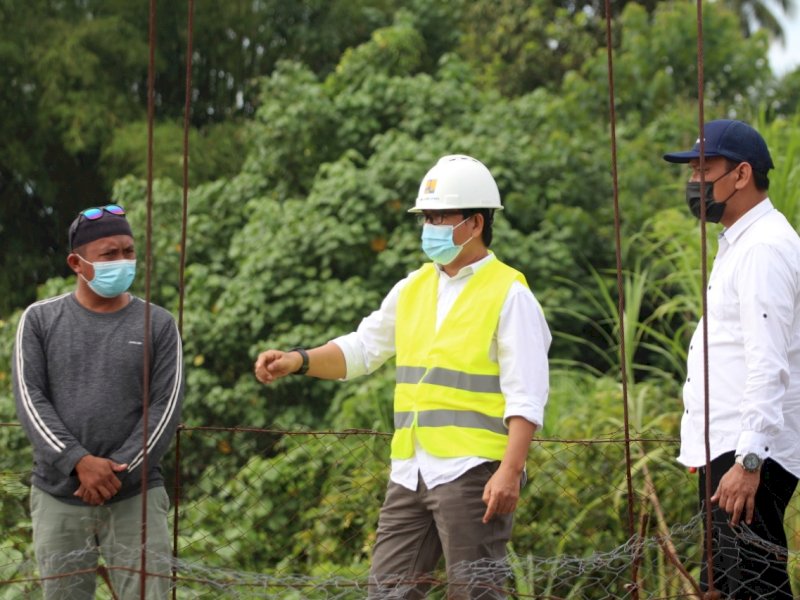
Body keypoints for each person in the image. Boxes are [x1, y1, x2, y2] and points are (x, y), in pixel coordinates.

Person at [254, 155, 551, 599]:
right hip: (411, 472)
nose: (428, 226)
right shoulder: (414, 287)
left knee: (474, 594)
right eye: (425, 217)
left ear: (474, 223)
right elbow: (361, 349)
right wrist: (299, 360)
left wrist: (510, 471)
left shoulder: (510, 294)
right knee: (388, 593)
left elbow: (527, 394)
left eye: (437, 217)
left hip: (473, 475)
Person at [12, 204, 185, 599]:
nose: (122, 261)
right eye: (109, 254)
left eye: (128, 251)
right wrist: (78, 462)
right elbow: (30, 399)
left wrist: (114, 474)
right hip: (60, 494)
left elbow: (165, 407)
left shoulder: (159, 324)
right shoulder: (39, 320)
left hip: (136, 495)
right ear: (77, 262)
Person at [664, 120, 800, 599]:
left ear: (741, 174)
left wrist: (746, 458)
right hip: (732, 450)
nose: (695, 181)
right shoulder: (741, 244)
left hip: (750, 456)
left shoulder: (763, 248)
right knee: (725, 586)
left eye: (705, 168)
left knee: (755, 587)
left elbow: (769, 362)